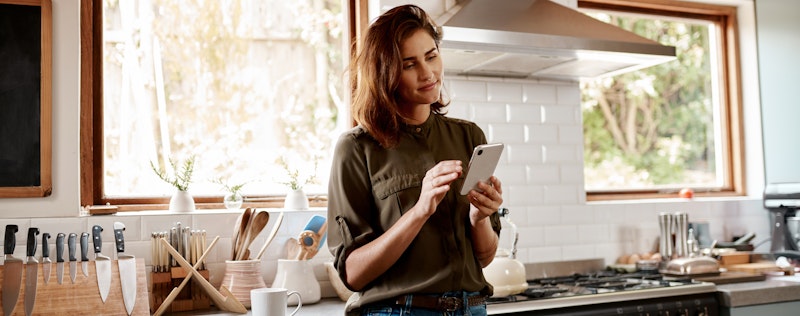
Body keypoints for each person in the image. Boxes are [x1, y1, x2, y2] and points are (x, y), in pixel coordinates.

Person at [327, 4, 504, 316]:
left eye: (431, 55)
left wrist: (479, 219)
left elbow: (485, 258)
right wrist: (419, 211)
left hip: (472, 308)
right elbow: (353, 274)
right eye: (409, 64)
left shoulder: (469, 137)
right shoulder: (356, 148)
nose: (428, 73)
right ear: (384, 73)